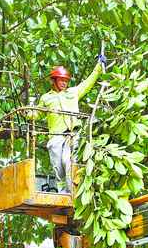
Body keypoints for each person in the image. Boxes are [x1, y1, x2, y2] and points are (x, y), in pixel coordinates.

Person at [34, 55, 106, 193]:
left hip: (72, 135)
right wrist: (28, 115)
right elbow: (38, 113)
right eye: (61, 80)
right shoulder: (46, 98)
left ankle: (71, 192)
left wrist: (98, 67)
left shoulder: (73, 92)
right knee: (58, 167)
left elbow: (88, 83)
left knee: (69, 163)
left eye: (66, 81)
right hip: (55, 136)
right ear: (54, 81)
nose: (64, 83)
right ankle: (62, 191)